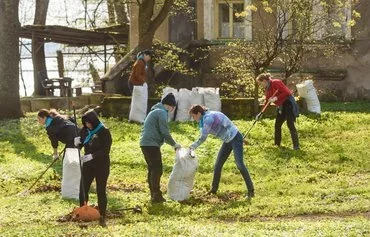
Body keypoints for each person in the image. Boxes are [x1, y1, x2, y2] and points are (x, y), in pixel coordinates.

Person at [189, 105, 255, 199]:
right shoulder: (205, 118)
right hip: (228, 140)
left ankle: (251, 191)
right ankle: (213, 190)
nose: (193, 119)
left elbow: (203, 137)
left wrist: (192, 147)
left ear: (198, 113)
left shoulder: (208, 119)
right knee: (218, 165)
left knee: (239, 164)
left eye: (193, 116)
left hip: (235, 138)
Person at [140, 93, 181, 203]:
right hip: (151, 144)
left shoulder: (154, 111)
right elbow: (165, 132)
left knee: (152, 169)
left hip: (145, 143)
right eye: (173, 107)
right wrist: (174, 144)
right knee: (157, 169)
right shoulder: (162, 112)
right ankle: (156, 195)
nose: (172, 110)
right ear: (170, 106)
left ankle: (153, 194)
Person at [74, 110, 112, 227]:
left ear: (94, 122)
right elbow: (82, 145)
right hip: (88, 165)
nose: (88, 125)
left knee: (101, 190)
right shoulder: (85, 130)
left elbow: (105, 150)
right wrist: (77, 143)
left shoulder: (104, 131)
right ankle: (83, 211)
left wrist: (92, 156)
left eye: (89, 123)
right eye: (85, 123)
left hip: (101, 165)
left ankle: (102, 215)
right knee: (83, 188)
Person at [256, 73, 300, 150]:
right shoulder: (267, 89)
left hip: (288, 103)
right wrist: (261, 112)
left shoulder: (276, 82)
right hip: (281, 106)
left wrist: (276, 98)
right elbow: (267, 101)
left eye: (260, 83)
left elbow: (287, 92)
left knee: (290, 124)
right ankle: (277, 144)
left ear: (264, 80)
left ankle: (296, 146)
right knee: (277, 124)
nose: (260, 85)